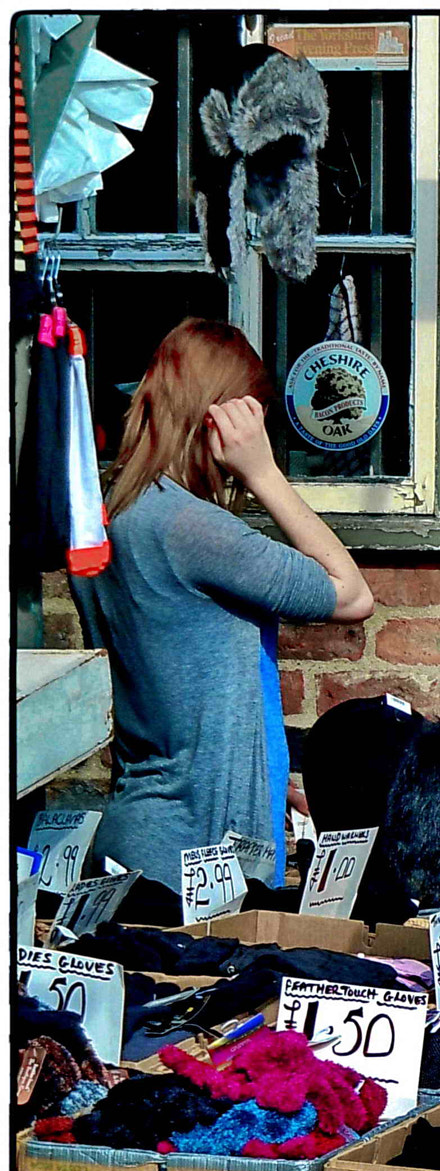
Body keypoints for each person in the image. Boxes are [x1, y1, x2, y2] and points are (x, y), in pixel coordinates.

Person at [69, 319, 374, 889]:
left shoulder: (111, 516)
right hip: (194, 855)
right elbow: (353, 595)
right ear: (223, 419)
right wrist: (263, 472)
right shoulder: (189, 527)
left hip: (150, 835)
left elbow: (175, 684)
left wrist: (256, 766)